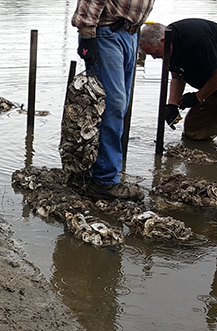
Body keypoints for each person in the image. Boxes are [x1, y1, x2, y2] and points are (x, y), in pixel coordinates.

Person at [72, 0, 154, 201]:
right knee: (111, 107)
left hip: (131, 34)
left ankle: (98, 169)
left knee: (120, 106)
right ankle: (104, 180)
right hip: (107, 33)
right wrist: (87, 36)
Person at [139, 19, 217, 148]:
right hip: (211, 85)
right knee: (194, 135)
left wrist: (197, 97)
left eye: (155, 52)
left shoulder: (197, 38)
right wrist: (172, 105)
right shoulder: (168, 50)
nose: (155, 58)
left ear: (164, 40)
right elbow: (177, 77)